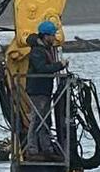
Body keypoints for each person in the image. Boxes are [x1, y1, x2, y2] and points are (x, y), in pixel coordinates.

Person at [24, 19, 68, 159]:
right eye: (52, 35)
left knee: (44, 120)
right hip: (37, 91)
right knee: (37, 119)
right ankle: (33, 149)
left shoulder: (44, 50)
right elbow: (42, 68)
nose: (54, 38)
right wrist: (59, 65)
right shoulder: (37, 51)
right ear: (45, 36)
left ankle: (45, 147)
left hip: (44, 90)